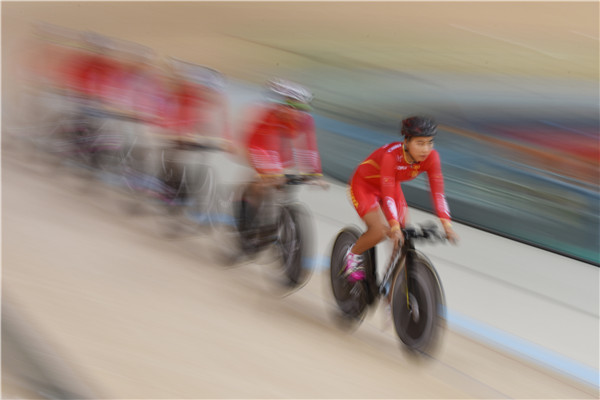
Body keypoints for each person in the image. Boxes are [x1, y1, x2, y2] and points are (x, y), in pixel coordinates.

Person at [344, 116, 458, 282]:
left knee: (403, 236)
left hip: (390, 186)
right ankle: (352, 254)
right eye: (420, 143)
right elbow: (388, 193)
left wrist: (447, 225)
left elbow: (438, 194)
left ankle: (391, 283)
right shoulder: (391, 156)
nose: (426, 149)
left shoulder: (432, 158)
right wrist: (394, 226)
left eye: (430, 142)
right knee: (381, 231)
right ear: (406, 142)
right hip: (364, 186)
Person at [239, 78, 326, 220]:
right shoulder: (272, 116)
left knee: (287, 180)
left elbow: (309, 148)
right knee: (268, 180)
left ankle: (279, 217)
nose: (300, 113)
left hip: (280, 151)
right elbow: (267, 146)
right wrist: (272, 171)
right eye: (294, 108)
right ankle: (246, 212)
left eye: (303, 109)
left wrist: (314, 173)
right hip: (259, 146)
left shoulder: (306, 120)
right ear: (284, 106)